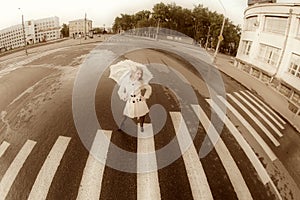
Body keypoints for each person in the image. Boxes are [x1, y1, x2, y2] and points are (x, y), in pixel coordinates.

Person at [118, 66, 152, 132]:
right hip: (130, 101)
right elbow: (120, 91)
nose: (139, 75)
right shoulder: (126, 81)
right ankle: (122, 124)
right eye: (138, 73)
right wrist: (124, 96)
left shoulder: (141, 82)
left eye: (141, 74)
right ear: (133, 73)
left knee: (142, 114)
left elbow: (149, 88)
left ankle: (141, 126)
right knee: (126, 114)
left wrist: (145, 97)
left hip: (139, 101)